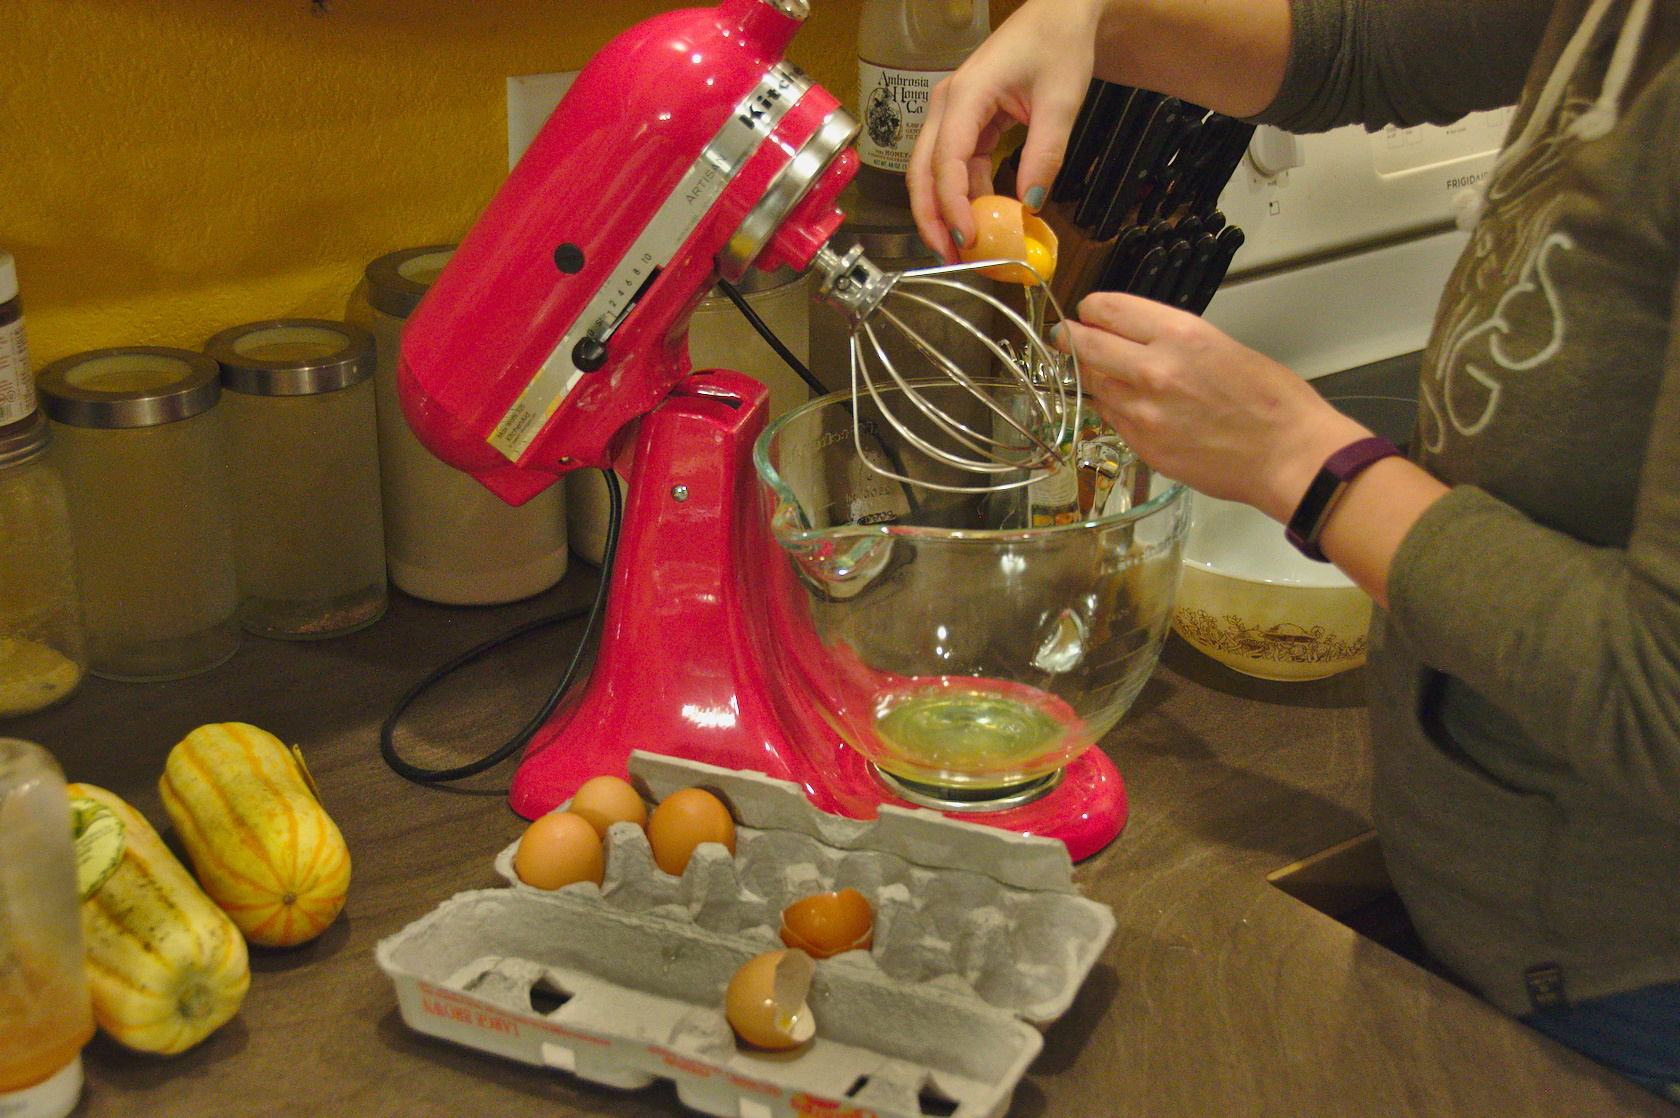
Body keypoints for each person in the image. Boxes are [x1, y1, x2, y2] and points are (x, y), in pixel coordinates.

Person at [908, 0, 1680, 1097]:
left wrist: (1302, 461)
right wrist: (1096, 19)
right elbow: (1364, 47)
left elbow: (1665, 698)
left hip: (1620, 978)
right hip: (1488, 882)